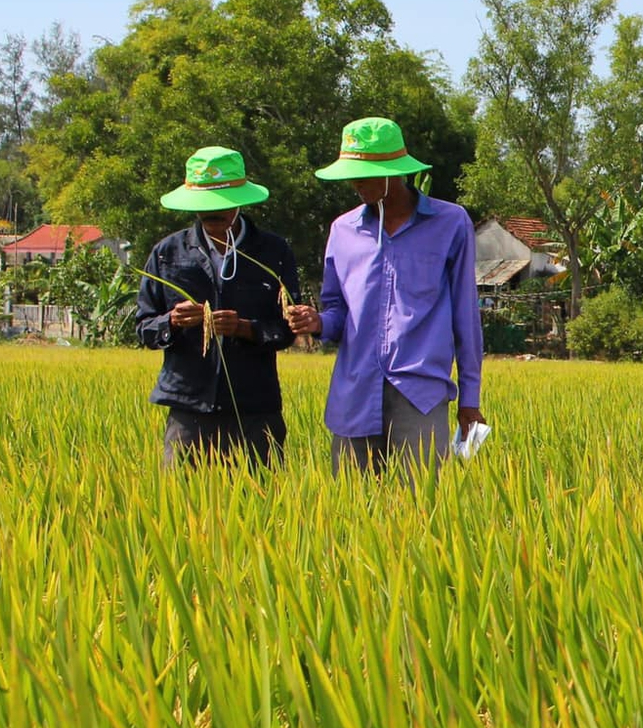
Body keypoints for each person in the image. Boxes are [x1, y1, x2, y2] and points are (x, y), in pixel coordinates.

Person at [284, 117, 485, 472]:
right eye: (351, 176)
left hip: (419, 392)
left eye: (363, 176)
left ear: (395, 173)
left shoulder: (450, 223)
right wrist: (317, 322)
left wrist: (469, 399)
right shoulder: (342, 230)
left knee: (422, 505)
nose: (355, 184)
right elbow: (336, 311)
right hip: (355, 390)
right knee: (350, 506)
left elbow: (465, 317)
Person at [134, 146, 301, 465]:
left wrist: (246, 329)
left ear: (239, 202)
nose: (213, 214)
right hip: (189, 409)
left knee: (261, 506)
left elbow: (287, 329)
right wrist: (172, 321)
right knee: (183, 507)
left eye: (221, 205)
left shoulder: (273, 252)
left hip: (255, 409)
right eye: (204, 205)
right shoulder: (167, 253)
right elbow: (144, 328)